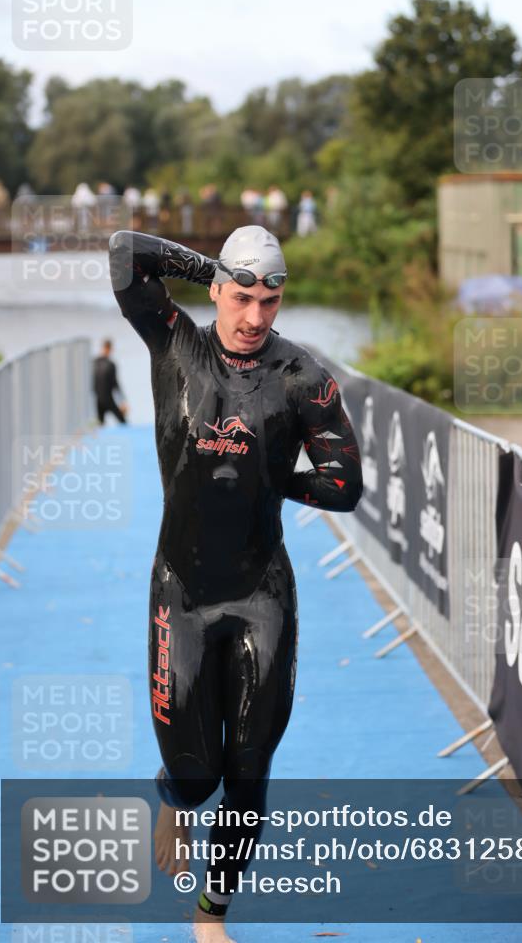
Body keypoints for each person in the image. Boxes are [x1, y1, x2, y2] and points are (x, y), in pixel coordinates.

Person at [108, 225, 362, 942]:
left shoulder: (303, 379)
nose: (254, 318)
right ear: (215, 290)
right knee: (195, 773)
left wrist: (275, 482)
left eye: (270, 301)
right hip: (181, 592)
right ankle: (174, 797)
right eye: (241, 296)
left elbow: (345, 486)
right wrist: (202, 261)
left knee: (249, 768)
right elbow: (127, 253)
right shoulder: (175, 345)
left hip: (261, 597)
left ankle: (210, 916)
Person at [92, 339, 128, 424]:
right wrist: (122, 402)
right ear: (110, 349)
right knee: (123, 421)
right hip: (108, 399)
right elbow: (115, 384)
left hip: (98, 399)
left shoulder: (94, 362)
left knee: (100, 423)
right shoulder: (111, 365)